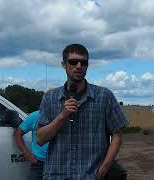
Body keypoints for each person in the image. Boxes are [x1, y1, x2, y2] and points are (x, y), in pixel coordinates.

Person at [36, 44, 129, 180]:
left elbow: (117, 135)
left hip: (90, 175)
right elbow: (40, 139)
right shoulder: (50, 98)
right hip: (56, 175)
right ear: (63, 64)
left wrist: (104, 169)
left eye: (83, 63)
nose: (79, 66)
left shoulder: (104, 96)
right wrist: (62, 116)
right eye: (73, 62)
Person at [14, 111, 48, 180]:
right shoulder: (36, 116)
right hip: (39, 163)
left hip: (61, 164)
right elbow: (17, 134)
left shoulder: (64, 116)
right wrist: (26, 154)